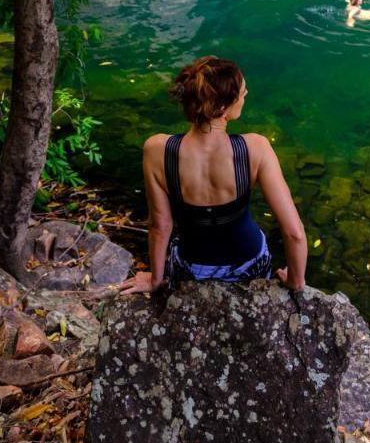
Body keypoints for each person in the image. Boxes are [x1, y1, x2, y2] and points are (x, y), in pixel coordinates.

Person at [120, 55, 307, 294]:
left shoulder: (157, 151)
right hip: (249, 266)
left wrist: (156, 280)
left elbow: (160, 225)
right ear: (222, 107)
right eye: (242, 92)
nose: (246, 95)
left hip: (191, 269)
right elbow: (294, 232)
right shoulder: (255, 149)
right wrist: (296, 281)